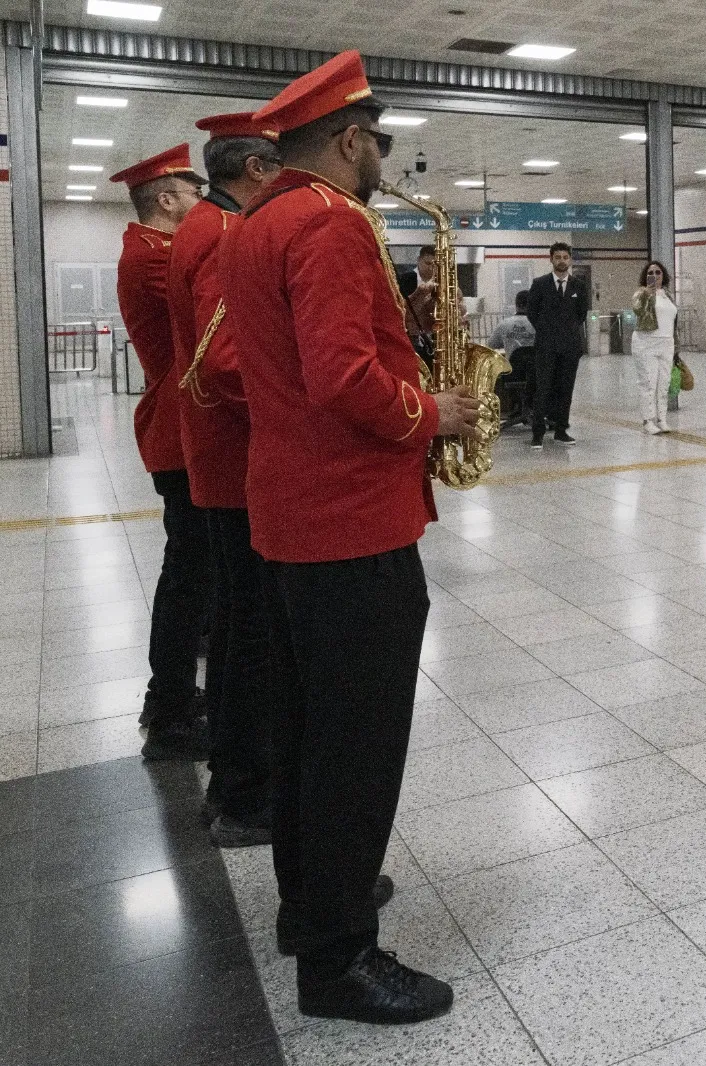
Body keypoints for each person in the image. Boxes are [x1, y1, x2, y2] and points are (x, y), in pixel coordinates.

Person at [221, 49, 480, 1025]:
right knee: (357, 747)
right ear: (344, 139)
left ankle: (309, 906)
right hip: (352, 525)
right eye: (377, 141)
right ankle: (339, 959)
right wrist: (430, 412)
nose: (384, 158)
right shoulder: (331, 223)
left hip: (289, 513)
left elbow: (293, 362)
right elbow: (341, 380)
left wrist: (397, 329)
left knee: (306, 729)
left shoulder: (258, 221)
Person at [169, 112, 282, 847]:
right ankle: (243, 795)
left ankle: (234, 785)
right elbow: (225, 359)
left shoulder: (206, 224)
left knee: (240, 624)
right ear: (255, 171)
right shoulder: (222, 232)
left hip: (218, 452)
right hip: (235, 456)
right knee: (253, 634)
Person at [110, 144, 211, 762]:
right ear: (167, 198)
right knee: (189, 577)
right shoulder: (153, 257)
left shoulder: (157, 252)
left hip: (182, 425)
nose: (202, 202)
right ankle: (170, 708)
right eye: (194, 192)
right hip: (180, 431)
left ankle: (172, 694)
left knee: (195, 576)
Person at [524, 241, 589, 448]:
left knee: (565, 389)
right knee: (543, 389)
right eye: (558, 257)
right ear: (551, 259)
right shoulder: (540, 284)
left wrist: (567, 333)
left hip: (570, 347)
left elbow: (581, 315)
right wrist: (548, 331)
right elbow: (532, 313)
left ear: (570, 260)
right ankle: (537, 433)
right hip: (546, 347)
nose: (562, 261)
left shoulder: (578, 285)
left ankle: (561, 430)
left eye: (565, 257)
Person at [633, 260, 677, 435]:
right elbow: (637, 310)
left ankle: (662, 419)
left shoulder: (668, 295)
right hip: (646, 342)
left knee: (664, 383)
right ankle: (648, 420)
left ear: (663, 275)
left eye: (658, 272)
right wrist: (647, 295)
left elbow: (674, 321)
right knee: (648, 383)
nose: (654, 276)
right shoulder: (640, 293)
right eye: (650, 273)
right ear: (645, 276)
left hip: (667, 342)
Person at [489, 290, 538, 427]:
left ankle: (515, 408)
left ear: (516, 305)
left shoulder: (504, 324)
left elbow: (490, 346)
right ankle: (530, 409)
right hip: (538, 374)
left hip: (513, 374)